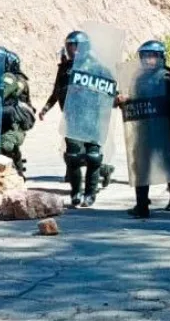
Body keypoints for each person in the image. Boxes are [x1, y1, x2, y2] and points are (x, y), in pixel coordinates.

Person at [39, 31, 114, 207]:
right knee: (72, 157)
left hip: (92, 119)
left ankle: (90, 193)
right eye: (69, 46)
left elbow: (109, 92)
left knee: (93, 157)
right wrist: (45, 108)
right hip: (72, 118)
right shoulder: (64, 68)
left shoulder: (97, 68)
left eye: (75, 46)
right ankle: (76, 193)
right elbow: (57, 91)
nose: (72, 50)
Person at [122, 40, 170, 218]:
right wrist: (124, 101)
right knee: (141, 164)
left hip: (163, 127)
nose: (149, 60)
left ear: (160, 57)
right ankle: (141, 205)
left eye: (153, 56)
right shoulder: (138, 78)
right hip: (143, 127)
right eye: (145, 56)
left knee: (167, 163)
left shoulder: (167, 77)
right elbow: (134, 99)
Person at [0, 50, 35, 177]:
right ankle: (16, 168)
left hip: (20, 116)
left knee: (6, 145)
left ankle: (17, 173)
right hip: (6, 115)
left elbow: (5, 93)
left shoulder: (16, 79)